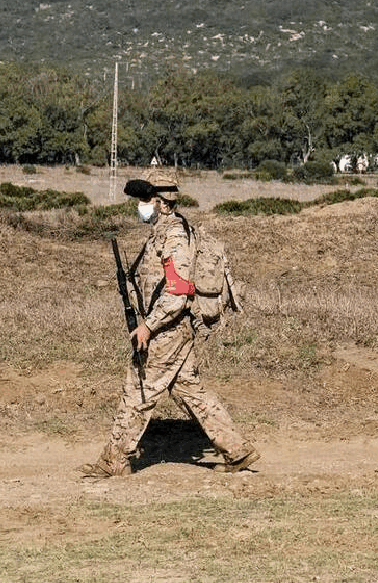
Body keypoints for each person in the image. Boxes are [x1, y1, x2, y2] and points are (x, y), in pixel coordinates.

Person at [81, 172, 259, 477]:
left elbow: (178, 293)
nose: (140, 206)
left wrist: (148, 326)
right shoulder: (163, 231)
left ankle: (115, 460)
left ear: (163, 204)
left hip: (169, 330)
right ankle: (237, 451)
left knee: (138, 388)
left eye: (145, 200)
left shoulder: (174, 236)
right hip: (173, 328)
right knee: (189, 391)